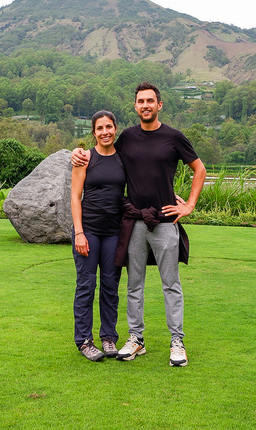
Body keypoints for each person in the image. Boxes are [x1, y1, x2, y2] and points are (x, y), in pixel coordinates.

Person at [72, 82, 206, 367]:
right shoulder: (127, 138)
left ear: (159, 105)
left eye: (150, 101)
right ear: (135, 106)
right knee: (134, 285)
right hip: (133, 223)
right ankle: (136, 339)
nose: (145, 105)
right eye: (140, 101)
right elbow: (102, 150)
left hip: (165, 220)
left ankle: (177, 341)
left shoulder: (174, 137)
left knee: (171, 284)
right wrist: (76, 152)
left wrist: (189, 204)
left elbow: (199, 169)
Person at [70, 110, 125, 362]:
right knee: (86, 285)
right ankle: (84, 341)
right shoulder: (85, 159)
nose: (105, 132)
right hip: (88, 231)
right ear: (93, 132)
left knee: (110, 287)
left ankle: (109, 338)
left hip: (114, 232)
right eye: (100, 128)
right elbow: (75, 196)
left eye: (109, 127)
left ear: (115, 129)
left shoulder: (123, 158)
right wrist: (79, 233)